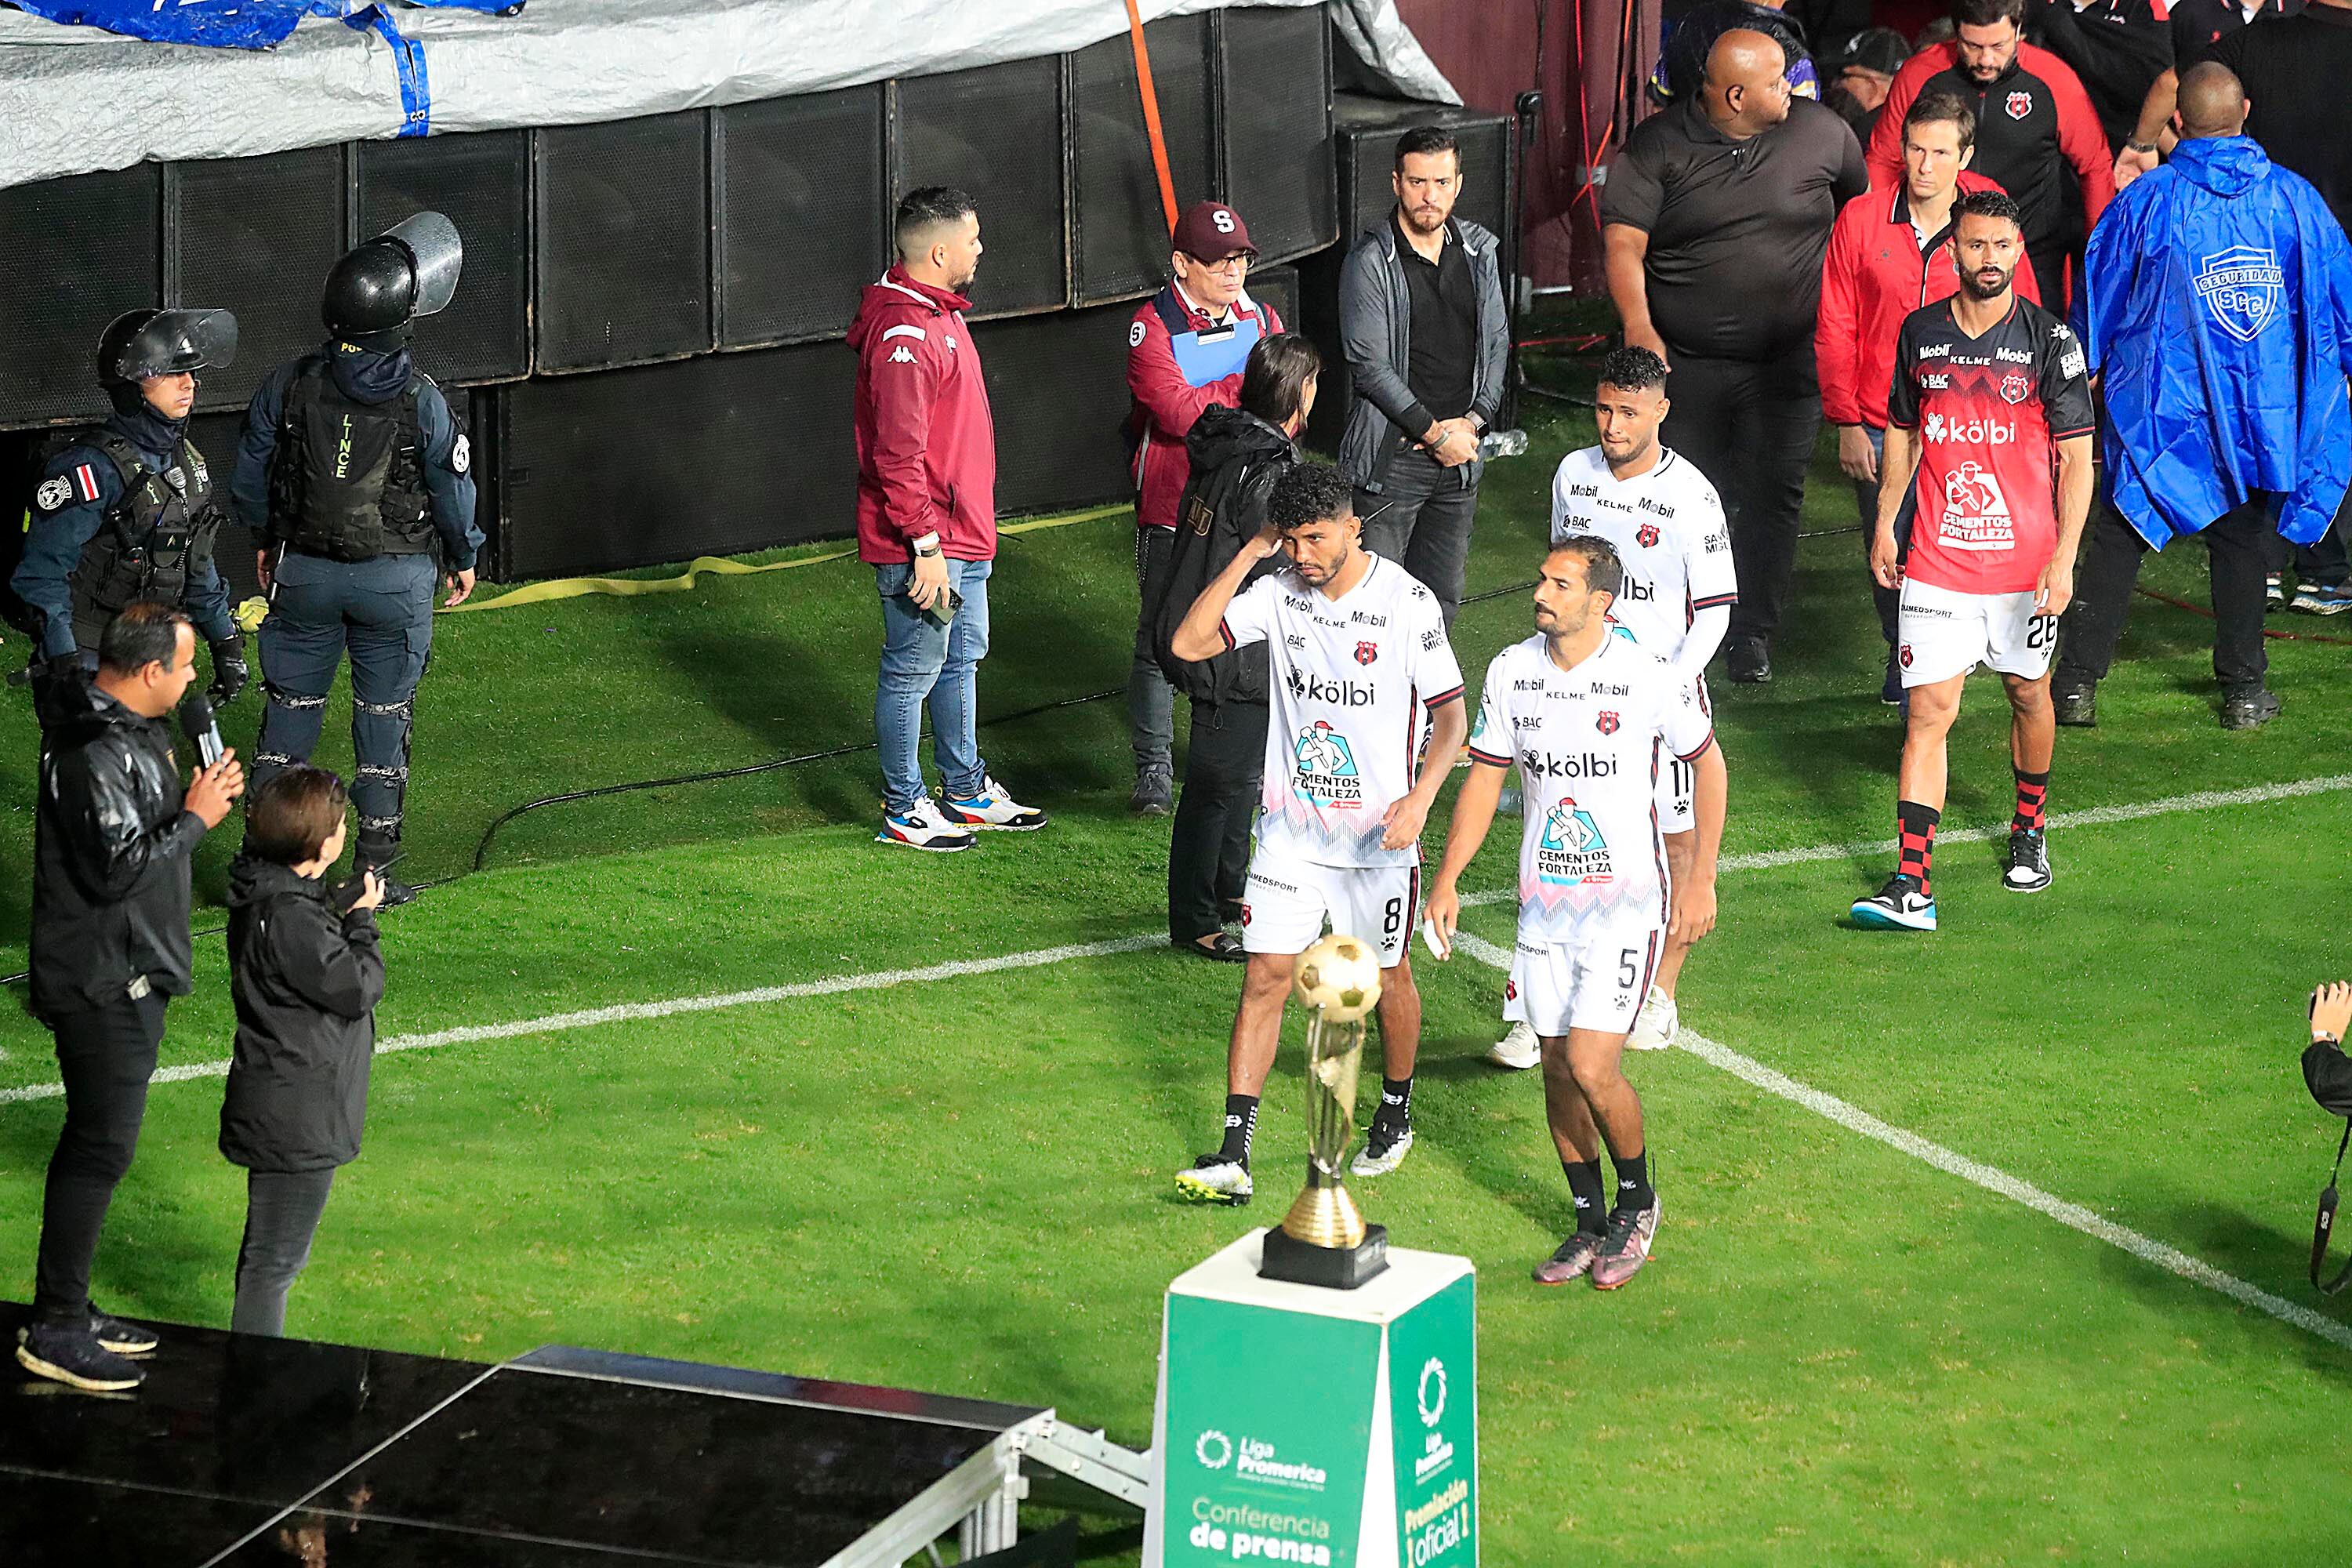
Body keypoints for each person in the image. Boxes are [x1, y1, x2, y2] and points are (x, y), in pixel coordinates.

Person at [1425, 537, 1725, 1290]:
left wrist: (1701, 879)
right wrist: (1448, 878)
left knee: (1593, 1064)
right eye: (1542, 579)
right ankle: (1590, 1223)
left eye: (1561, 584)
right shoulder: (1512, 671)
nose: (1541, 593)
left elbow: (1709, 764)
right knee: (1558, 1069)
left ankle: (1638, 1202)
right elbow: (1485, 780)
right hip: (1544, 909)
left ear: (1601, 602)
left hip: (1627, 905)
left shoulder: (1647, 676)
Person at [1166, 464, 1465, 1203]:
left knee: (1389, 978)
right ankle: (1234, 1153)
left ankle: (1394, 1111)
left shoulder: (1406, 604)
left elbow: (1452, 717)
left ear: (1353, 527)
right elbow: (1190, 643)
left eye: (1316, 538)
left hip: (1377, 842)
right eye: (1292, 540)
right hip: (1291, 836)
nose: (1302, 555)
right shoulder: (1277, 593)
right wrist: (1251, 550)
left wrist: (1422, 799)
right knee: (1264, 977)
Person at [2052, 64, 2352, 729]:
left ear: (2178, 121)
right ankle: (2244, 691)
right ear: (2246, 110)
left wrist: (2079, 373)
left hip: (2162, 410)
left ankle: (2075, 685)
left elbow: (2098, 294)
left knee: (2123, 532)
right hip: (2259, 412)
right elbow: (2340, 290)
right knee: (2241, 544)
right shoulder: (2295, 199)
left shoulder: (2145, 201)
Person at [16, 603, 245, 1392]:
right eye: (185, 665)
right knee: (98, 1147)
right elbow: (116, 870)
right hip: (102, 978)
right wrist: (195, 819)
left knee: (100, 1144)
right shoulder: (91, 749)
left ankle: (71, 1308)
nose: (194, 678)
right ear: (150, 671)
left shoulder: (131, 729)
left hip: (129, 965)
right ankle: (56, 1324)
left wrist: (192, 801)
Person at [1487, 347, 1734, 1072]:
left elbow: (1716, 609)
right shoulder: (1573, 475)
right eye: (1603, 408)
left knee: (1677, 842)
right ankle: (1534, 1010)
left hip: (1656, 695)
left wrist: (1668, 689)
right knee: (1553, 838)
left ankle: (1658, 993)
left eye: (1628, 412)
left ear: (1661, 411)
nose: (1612, 425)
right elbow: (1565, 576)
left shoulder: (1692, 496)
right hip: (1574, 690)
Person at [1852, 191, 2093, 931]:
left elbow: (2077, 460)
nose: (1989, 259)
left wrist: (2064, 559)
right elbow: (1902, 429)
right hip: (1937, 563)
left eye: (2002, 245)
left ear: (2019, 250)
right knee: (1927, 713)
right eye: (1975, 244)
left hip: (2024, 569)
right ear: (1951, 250)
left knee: (2028, 694)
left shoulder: (2051, 341)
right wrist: (1887, 519)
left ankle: (2030, 826)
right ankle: (1912, 883)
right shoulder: (1920, 333)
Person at [1604, 29, 1869, 684]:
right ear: (1734, 95)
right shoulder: (1658, 145)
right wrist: (1639, 324)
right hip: (1687, 364)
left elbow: (1860, 216)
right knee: (1686, 497)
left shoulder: (1822, 133)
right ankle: (1675, 623)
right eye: (1776, 82)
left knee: (1773, 497)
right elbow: (1623, 244)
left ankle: (1751, 632)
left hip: (1788, 363)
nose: (1791, 90)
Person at [232, 213, 482, 907]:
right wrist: (464, 556)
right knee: (384, 720)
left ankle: (264, 871)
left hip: (303, 575)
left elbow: (251, 475)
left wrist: (267, 542)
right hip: (394, 584)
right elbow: (452, 491)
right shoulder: (423, 399)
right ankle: (373, 873)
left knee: (289, 720)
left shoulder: (287, 383)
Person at [1819, 91, 2042, 702]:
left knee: (1963, 541)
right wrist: (1844, 420)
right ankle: (1905, 658)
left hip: (1972, 424)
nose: (1924, 165)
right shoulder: (1862, 217)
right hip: (1878, 420)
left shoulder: (1988, 216)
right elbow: (1836, 321)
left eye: (1941, 153)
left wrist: (2025, 419)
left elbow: (2025, 314)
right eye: (1916, 149)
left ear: (1964, 156)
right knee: (1888, 548)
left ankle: (1956, 660)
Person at [851, 187, 1047, 852]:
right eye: (971, 238)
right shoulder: (905, 335)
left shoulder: (939, 313)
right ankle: (904, 807)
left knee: (960, 657)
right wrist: (926, 546)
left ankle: (964, 790)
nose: (980, 248)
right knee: (913, 668)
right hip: (927, 544)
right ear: (938, 252)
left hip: (963, 534)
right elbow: (897, 455)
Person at [1144, 334, 1316, 962]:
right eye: (1313, 382)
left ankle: (1226, 891)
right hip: (1232, 648)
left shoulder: (1229, 445)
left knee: (1239, 779)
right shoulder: (1267, 467)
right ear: (1298, 393)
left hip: (1211, 630)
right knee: (1217, 785)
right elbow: (1278, 557)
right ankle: (1196, 918)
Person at [1123, 200, 1284, 817]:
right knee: (1158, 638)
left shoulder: (1262, 316)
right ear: (1181, 263)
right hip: (1174, 507)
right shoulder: (1152, 326)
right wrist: (1247, 386)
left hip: (1246, 510)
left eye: (1240, 258)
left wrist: (1220, 395)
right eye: (1218, 261)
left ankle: (1233, 762)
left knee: (1244, 634)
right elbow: (1177, 413)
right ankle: (1154, 772)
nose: (1232, 271)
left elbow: (1282, 397)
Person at [220, 766, 387, 1337]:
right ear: (321, 844)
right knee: (273, 1266)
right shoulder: (290, 917)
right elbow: (356, 987)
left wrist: (333, 903)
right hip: (297, 1114)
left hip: (280, 1096)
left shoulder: (268, 893)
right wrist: (361, 922)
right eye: (339, 826)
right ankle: (254, 1380)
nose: (344, 832)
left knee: (267, 1258)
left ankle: (252, 1374)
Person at [13, 308, 249, 703]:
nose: (189, 383)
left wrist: (225, 640)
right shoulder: (91, 469)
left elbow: (196, 561)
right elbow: (42, 575)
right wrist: (66, 660)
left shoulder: (185, 461)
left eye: (191, 372)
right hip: (93, 658)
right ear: (131, 386)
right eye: (171, 373)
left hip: (149, 656)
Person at [1336, 125, 1512, 628]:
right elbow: (1369, 368)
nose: (1429, 195)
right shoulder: (1370, 261)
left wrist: (1474, 423)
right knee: (1375, 609)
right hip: (1393, 462)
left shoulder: (1478, 252)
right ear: (1396, 183)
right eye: (1417, 182)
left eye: (1440, 182)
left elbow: (1497, 343)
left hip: (1461, 458)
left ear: (1458, 185)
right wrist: (1436, 436)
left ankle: (1429, 686)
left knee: (1440, 606)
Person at [1867, 0, 2116, 310]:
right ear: (1956, 32)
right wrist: (1886, 239)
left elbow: (2095, 166)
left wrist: (2101, 256)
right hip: (1941, 253)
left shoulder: (2054, 79)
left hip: (2032, 253)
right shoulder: (1921, 75)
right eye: (1972, 46)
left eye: (1998, 46)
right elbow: (1883, 159)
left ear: (2019, 31)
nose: (1985, 60)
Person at [2027, 0, 2173, 152]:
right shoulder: (2036, 6)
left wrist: (2060, 28)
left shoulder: (2145, 6)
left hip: (2120, 147)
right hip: (2046, 142)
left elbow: (2150, 82)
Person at [1653, 0, 1825, 104]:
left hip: (1684, 150)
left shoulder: (1687, 26)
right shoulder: (1793, 57)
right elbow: (1802, 132)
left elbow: (1659, 101)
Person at [1824, 27, 1915, 138]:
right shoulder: (1912, 134)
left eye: (1843, 76)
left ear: (1872, 87)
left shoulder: (1861, 140)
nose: (1834, 83)